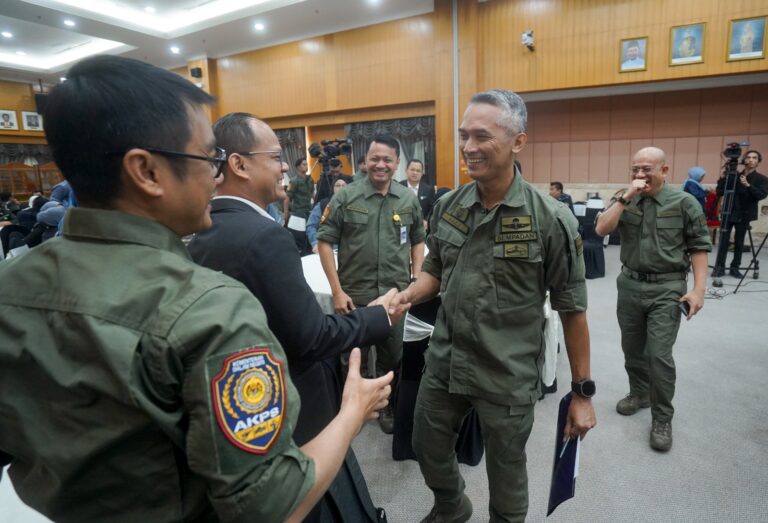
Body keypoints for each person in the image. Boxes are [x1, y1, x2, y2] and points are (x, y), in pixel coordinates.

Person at [0, 55, 392, 523]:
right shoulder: (209, 309)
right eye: (208, 159)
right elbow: (272, 507)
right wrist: (352, 411)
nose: (216, 175)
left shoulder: (12, 285)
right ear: (146, 171)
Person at [388, 89, 595, 523]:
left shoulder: (551, 219)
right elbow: (435, 271)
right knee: (425, 443)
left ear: (518, 142)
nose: (468, 147)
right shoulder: (449, 206)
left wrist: (581, 394)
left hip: (507, 372)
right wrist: (408, 294)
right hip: (447, 360)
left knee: (506, 472)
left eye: (482, 136)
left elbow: (573, 310)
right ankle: (452, 507)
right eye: (464, 135)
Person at [188, 112, 401, 522]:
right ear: (239, 164)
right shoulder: (264, 235)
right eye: (275, 156)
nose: (285, 166)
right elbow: (310, 337)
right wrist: (378, 317)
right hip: (293, 410)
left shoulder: (207, 229)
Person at [595, 146, 711, 452]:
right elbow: (601, 229)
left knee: (659, 355)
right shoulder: (625, 198)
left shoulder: (684, 202)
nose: (640, 174)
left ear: (664, 170)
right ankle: (639, 393)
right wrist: (626, 197)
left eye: (646, 169)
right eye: (635, 168)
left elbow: (699, 247)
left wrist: (698, 290)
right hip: (630, 285)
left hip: (668, 287)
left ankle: (662, 417)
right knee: (632, 349)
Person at [317, 134, 426, 434]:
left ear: (397, 163)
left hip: (394, 295)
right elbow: (324, 242)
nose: (380, 165)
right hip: (354, 295)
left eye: (387, 159)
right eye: (374, 159)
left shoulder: (407, 199)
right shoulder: (346, 197)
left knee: (392, 357)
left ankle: (385, 405)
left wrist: (415, 277)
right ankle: (352, 409)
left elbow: (418, 239)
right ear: (365, 161)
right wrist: (337, 291)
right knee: (353, 356)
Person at [712, 150, 768, 278]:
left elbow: (761, 195)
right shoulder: (734, 175)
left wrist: (748, 185)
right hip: (728, 212)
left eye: (754, 158)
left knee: (739, 242)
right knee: (723, 240)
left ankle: (735, 267)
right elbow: (720, 192)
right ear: (744, 160)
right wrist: (724, 177)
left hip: (745, 213)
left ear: (758, 162)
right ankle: (720, 267)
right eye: (748, 157)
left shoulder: (762, 179)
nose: (751, 160)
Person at [307, 177, 347, 253]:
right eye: (338, 185)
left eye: (343, 185)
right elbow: (311, 226)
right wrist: (315, 243)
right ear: (333, 188)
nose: (341, 188)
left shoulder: (353, 205)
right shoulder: (323, 205)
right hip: (327, 249)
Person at [285, 155, 315, 255]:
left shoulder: (310, 179)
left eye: (307, 164)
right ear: (298, 167)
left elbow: (312, 194)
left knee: (309, 236)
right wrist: (286, 213)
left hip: (309, 212)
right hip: (298, 213)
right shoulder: (293, 181)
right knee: (299, 238)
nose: (306, 166)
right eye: (304, 164)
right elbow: (287, 198)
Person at [400, 158, 436, 226]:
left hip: (421, 226)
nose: (415, 173)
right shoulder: (399, 187)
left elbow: (432, 209)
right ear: (406, 170)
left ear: (422, 173)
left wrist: (426, 220)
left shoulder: (428, 190)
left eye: (418, 171)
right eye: (412, 170)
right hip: (402, 224)